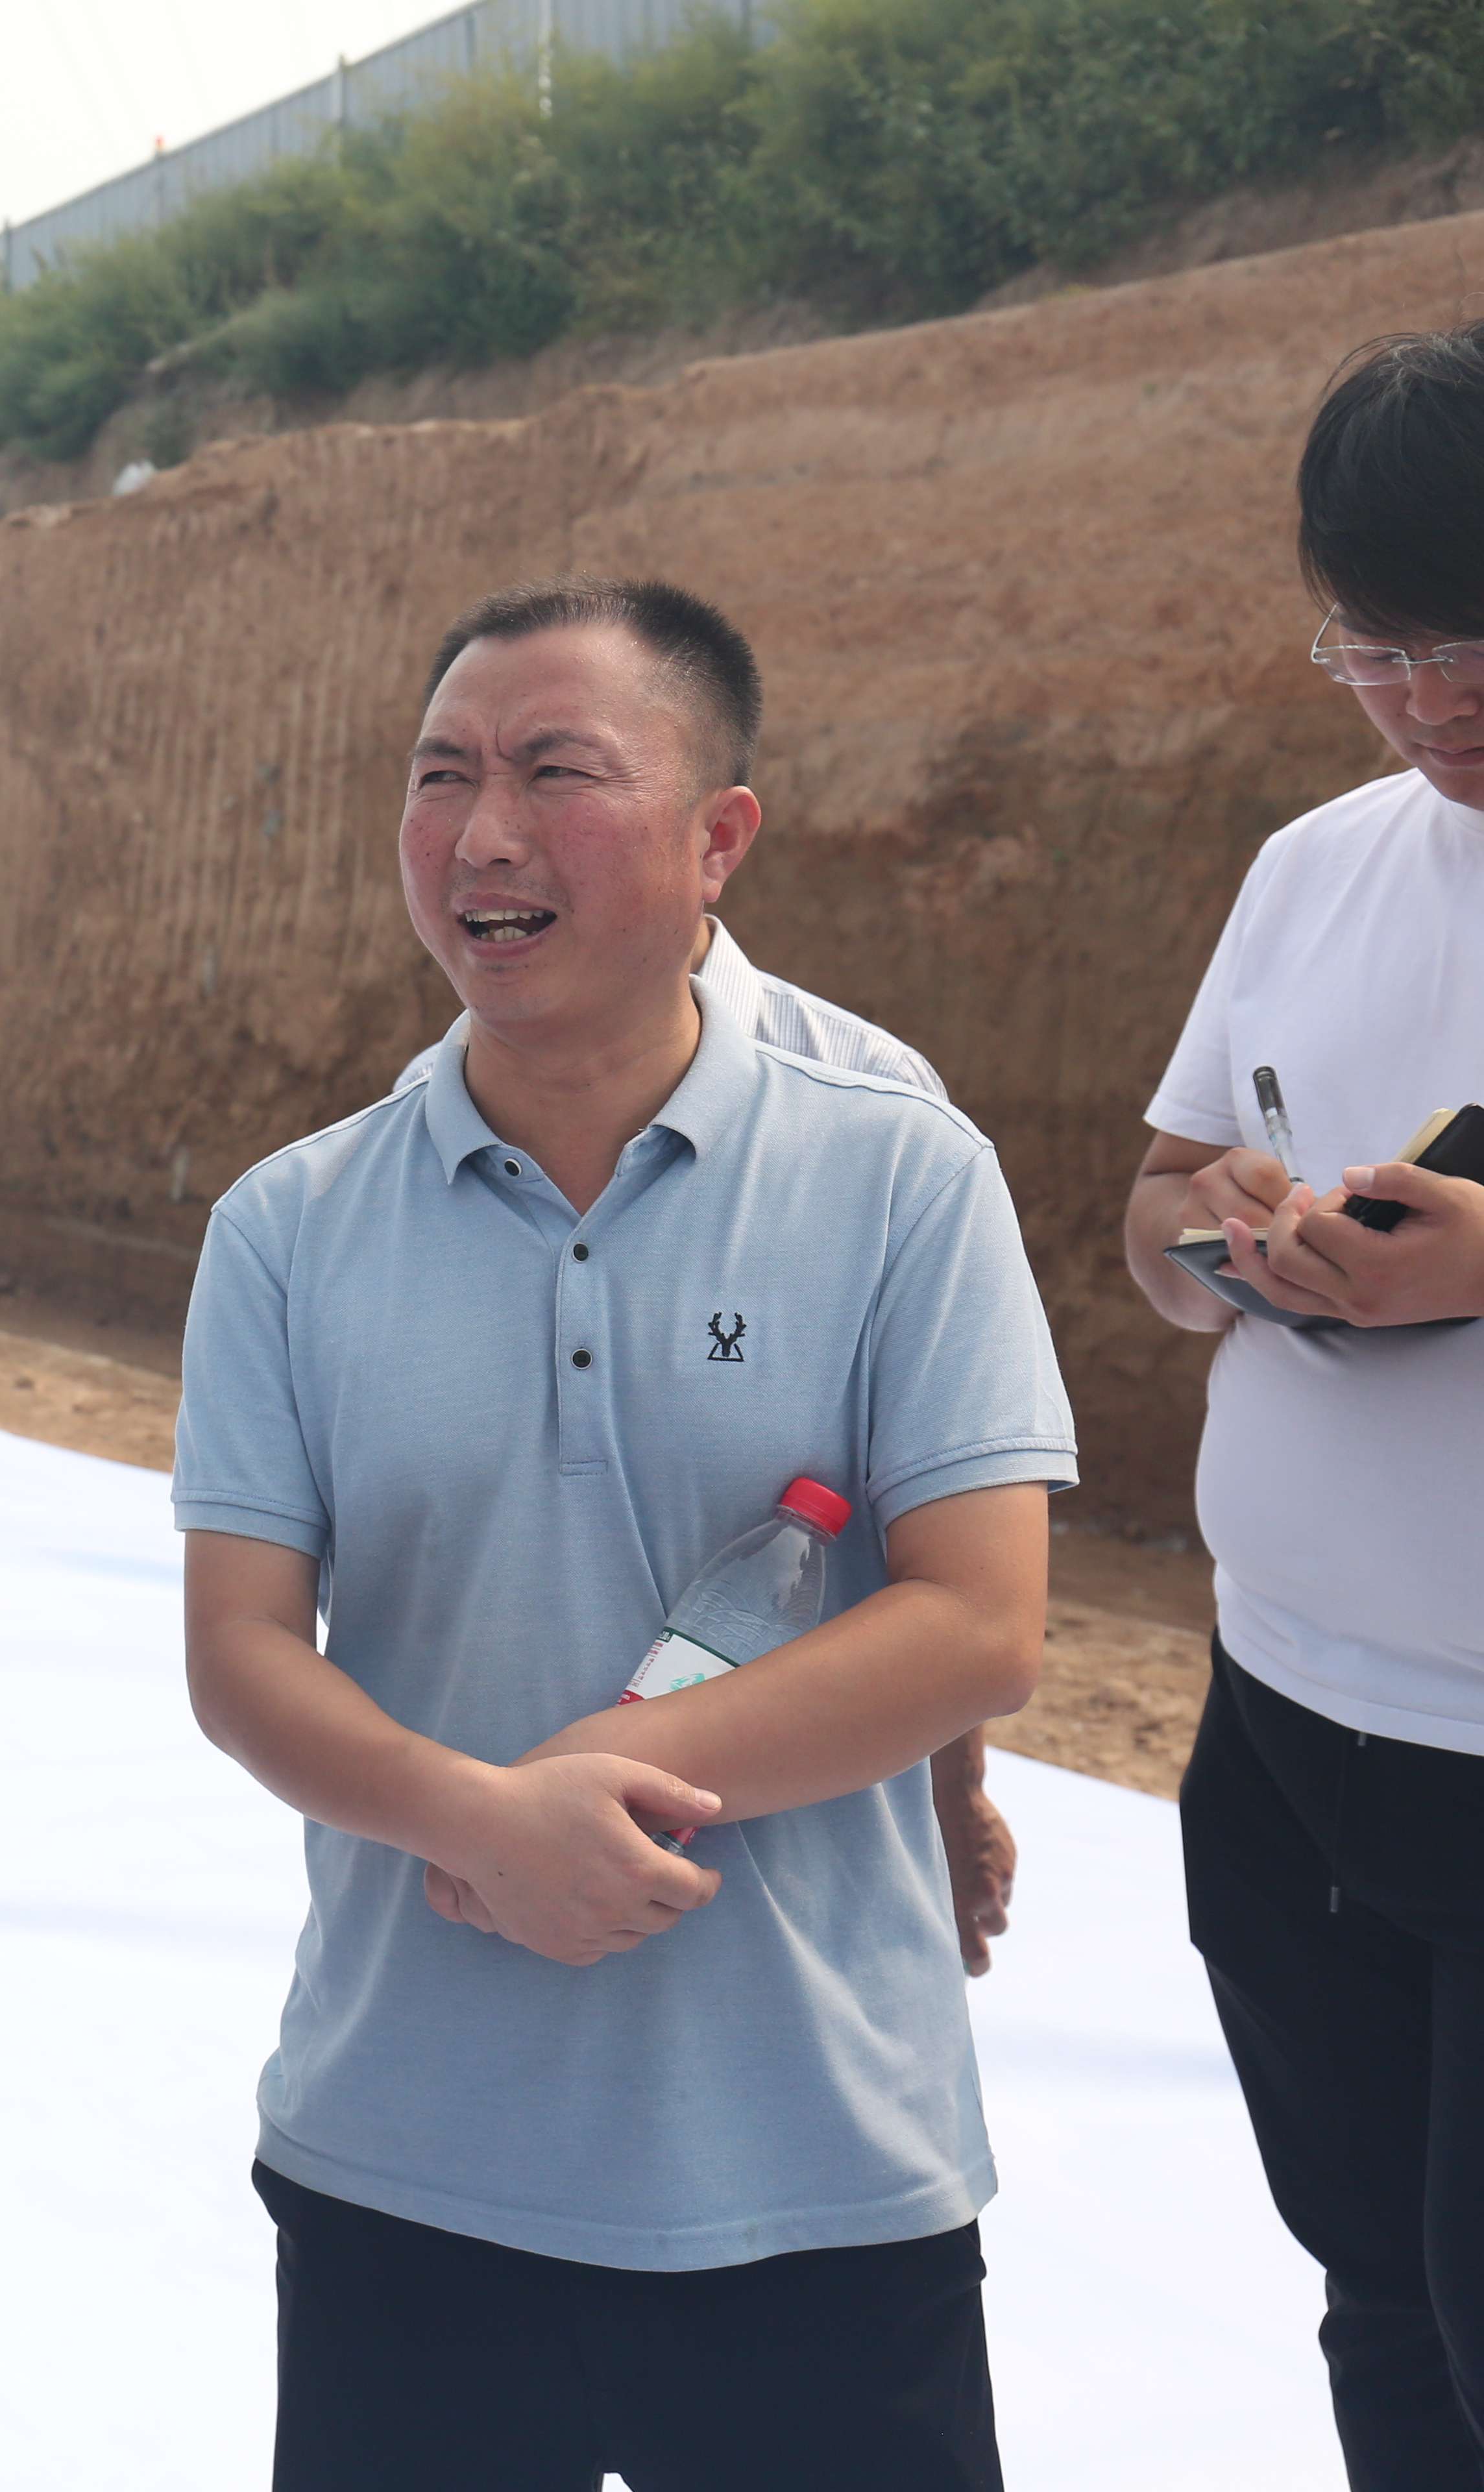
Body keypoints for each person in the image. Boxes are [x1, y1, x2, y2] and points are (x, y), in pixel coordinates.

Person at [176, 576, 1073, 2490]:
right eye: (441, 776)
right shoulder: (290, 1225)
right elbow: (241, 1653)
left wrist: (605, 1771)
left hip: (817, 2177)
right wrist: (479, 1821)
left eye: (555, 774)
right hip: (405, 2165)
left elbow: (978, 1618)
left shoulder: (899, 1170)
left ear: (718, 836)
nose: (481, 835)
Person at [1125, 323, 1484, 2486]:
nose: (1433, 705)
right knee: (1373, 2289)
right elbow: (1156, 1206)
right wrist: (1221, 1242)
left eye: (1475, 647)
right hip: (1279, 1726)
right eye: (1380, 652)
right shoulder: (1313, 863)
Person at [691, 915, 1024, 1973]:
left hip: (799, 1908)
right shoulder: (420, 1127)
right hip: (483, 1896)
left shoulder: (884, 1114)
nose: (493, 844)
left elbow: (939, 1508)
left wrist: (954, 1788)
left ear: (717, 842)